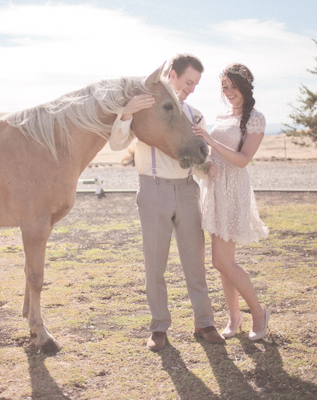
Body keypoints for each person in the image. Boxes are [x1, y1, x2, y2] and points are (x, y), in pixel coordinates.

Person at [109, 54, 225, 351]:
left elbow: (199, 159)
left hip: (187, 191)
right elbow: (117, 144)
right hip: (153, 190)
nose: (191, 89)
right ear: (170, 75)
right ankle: (159, 327)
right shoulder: (145, 110)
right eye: (188, 81)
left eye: (196, 84)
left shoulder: (195, 115)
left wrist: (207, 165)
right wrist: (126, 113)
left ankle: (204, 322)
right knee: (155, 263)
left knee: (194, 262)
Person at [192, 63, 270, 341]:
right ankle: (233, 318)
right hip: (214, 188)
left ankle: (259, 313)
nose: (228, 91)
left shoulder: (256, 119)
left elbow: (242, 160)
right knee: (225, 262)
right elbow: (213, 152)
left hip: (233, 189)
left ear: (246, 86)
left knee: (221, 261)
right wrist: (208, 158)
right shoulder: (221, 116)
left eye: (233, 86)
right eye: (224, 87)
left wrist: (211, 140)